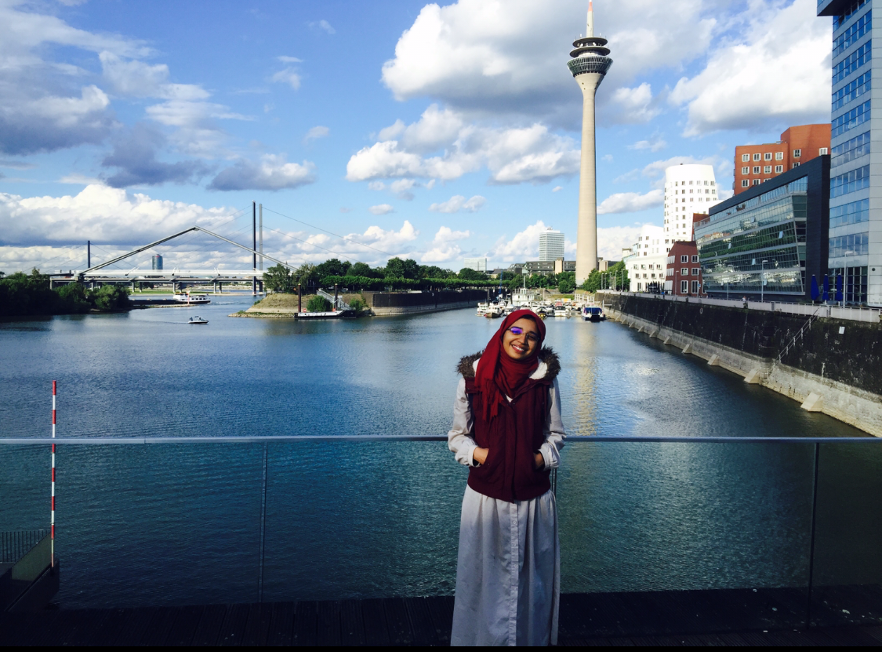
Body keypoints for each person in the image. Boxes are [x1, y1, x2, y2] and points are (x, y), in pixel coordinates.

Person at [447, 309, 566, 646]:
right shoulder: (472, 380)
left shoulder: (545, 381)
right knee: (481, 582)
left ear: (538, 343)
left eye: (532, 336)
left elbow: (556, 434)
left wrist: (537, 459)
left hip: (533, 500)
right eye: (516, 330)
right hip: (485, 499)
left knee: (531, 585)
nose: (522, 340)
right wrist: (484, 456)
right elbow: (457, 437)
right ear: (502, 332)